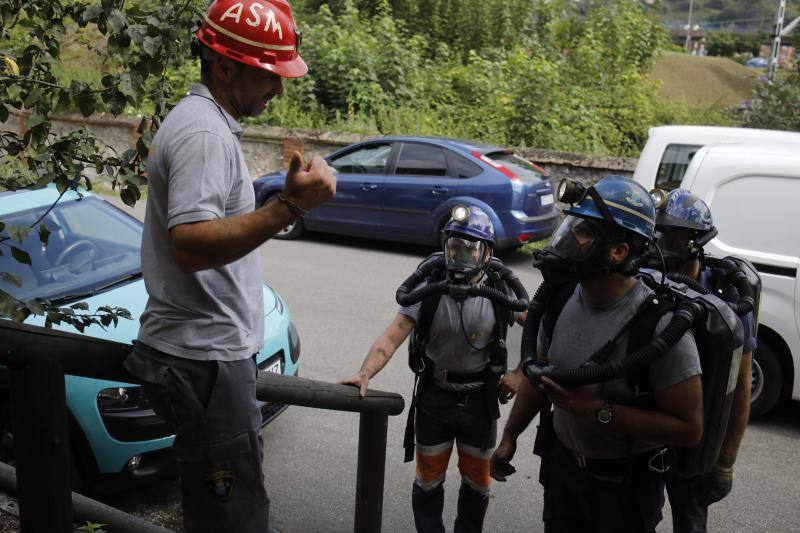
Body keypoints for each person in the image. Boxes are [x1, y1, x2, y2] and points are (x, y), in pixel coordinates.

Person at [122, 1, 336, 531]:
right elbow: (191, 244)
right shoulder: (204, 134)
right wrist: (290, 208)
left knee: (217, 503)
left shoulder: (203, 123)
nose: (278, 89)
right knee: (231, 516)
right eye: (269, 75)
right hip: (205, 363)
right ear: (223, 67)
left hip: (202, 360)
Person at [491, 176, 704, 533]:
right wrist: (510, 436)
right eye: (572, 226)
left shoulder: (659, 327)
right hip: (564, 471)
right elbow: (538, 373)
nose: (571, 239)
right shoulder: (558, 300)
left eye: (585, 232)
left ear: (618, 251)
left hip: (625, 487)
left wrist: (595, 412)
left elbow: (689, 428)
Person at [341, 205, 526, 533]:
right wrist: (365, 372)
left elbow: (542, 327)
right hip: (434, 400)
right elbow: (392, 336)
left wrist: (520, 373)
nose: (460, 256)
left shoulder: (501, 289)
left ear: (487, 254)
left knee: (477, 483)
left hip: (479, 404)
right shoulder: (428, 286)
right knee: (428, 480)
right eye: (454, 247)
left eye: (470, 249)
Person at [655, 189, 758, 533]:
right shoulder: (647, 283)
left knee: (690, 521)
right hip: (647, 429)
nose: (663, 243)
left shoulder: (726, 297)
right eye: (660, 232)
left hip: (698, 439)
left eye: (674, 235)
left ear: (697, 242)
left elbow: (740, 385)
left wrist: (725, 464)